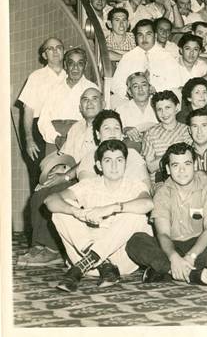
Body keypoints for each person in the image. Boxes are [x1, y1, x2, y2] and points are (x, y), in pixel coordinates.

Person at [45, 139, 153, 292]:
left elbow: (148, 204)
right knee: (60, 212)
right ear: (99, 165)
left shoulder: (135, 186)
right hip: (85, 257)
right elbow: (51, 200)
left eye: (119, 160)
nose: (114, 166)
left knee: (137, 215)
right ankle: (101, 263)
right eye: (108, 161)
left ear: (125, 164)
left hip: (121, 262)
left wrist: (111, 208)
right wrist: (77, 212)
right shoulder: (89, 185)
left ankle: (89, 262)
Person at [126, 142, 207, 285]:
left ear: (195, 166)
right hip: (170, 245)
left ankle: (165, 271)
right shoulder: (162, 193)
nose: (182, 171)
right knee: (136, 241)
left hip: (200, 244)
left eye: (187, 164)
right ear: (167, 169)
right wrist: (173, 257)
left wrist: (191, 256)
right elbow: (163, 234)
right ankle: (192, 273)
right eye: (175, 165)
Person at [16, 88, 104, 267]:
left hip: (93, 177)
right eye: (85, 100)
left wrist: (64, 177)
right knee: (39, 192)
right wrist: (57, 173)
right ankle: (38, 246)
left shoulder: (106, 124)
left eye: (94, 99)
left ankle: (52, 249)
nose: (89, 103)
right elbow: (66, 156)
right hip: (71, 175)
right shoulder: (77, 128)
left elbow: (93, 158)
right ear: (80, 106)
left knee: (54, 193)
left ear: (102, 103)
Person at [18, 37, 67, 184]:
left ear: (63, 51)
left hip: (64, 129)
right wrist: (29, 139)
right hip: (38, 132)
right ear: (44, 55)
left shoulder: (70, 75)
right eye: (50, 49)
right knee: (41, 177)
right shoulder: (36, 77)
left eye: (58, 47)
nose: (55, 51)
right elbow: (28, 110)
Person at [37, 47, 98, 152]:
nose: (75, 68)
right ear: (65, 65)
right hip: (54, 139)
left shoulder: (92, 89)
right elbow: (43, 119)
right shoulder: (54, 88)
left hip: (82, 138)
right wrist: (56, 138)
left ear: (85, 66)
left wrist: (81, 138)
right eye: (71, 63)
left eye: (80, 63)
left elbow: (98, 119)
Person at [110, 19, 180, 106]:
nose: (144, 39)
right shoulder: (128, 57)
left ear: (155, 35)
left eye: (148, 34)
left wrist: (157, 89)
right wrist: (129, 94)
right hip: (133, 102)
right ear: (136, 37)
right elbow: (116, 83)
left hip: (160, 101)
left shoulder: (166, 57)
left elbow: (176, 81)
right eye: (140, 35)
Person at [75, 110, 149, 188]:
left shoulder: (133, 155)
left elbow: (146, 188)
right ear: (98, 134)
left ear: (121, 134)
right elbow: (88, 191)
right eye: (107, 128)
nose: (112, 132)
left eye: (116, 128)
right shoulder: (89, 158)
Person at [142, 91, 193, 181]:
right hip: (160, 180)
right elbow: (151, 167)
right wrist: (175, 154)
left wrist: (160, 159)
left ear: (177, 108)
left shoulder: (188, 130)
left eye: (168, 107)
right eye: (159, 109)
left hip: (185, 177)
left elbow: (191, 161)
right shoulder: (150, 133)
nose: (164, 113)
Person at [115, 72, 158, 146]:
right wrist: (125, 130)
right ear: (130, 92)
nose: (140, 89)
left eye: (144, 85)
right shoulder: (121, 110)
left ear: (150, 88)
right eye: (135, 86)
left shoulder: (159, 105)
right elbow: (116, 136)